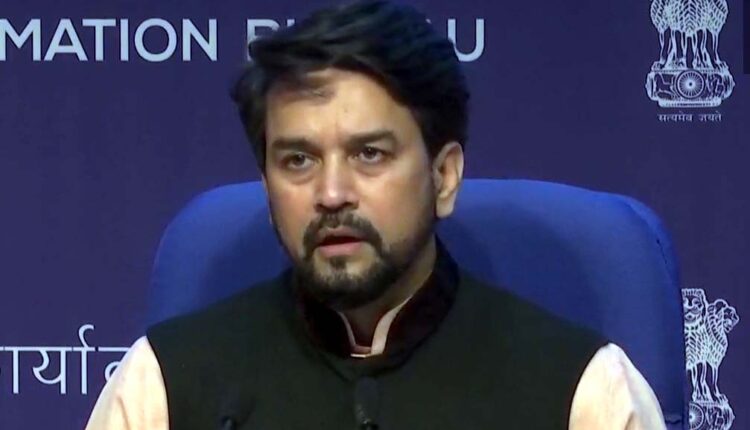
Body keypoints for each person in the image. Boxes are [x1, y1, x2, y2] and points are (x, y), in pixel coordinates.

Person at [86, 1, 666, 429]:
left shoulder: (583, 393)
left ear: (444, 176)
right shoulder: (162, 387)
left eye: (370, 154)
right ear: (267, 185)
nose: (331, 193)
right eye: (298, 160)